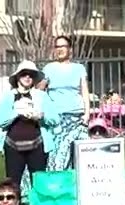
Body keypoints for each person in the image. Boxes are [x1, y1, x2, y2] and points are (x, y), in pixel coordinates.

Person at [0, 60, 50, 191]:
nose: (28, 77)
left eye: (31, 74)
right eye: (24, 74)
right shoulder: (8, 97)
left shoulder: (42, 96)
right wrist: (16, 112)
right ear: (17, 77)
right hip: (13, 146)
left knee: (40, 183)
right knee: (13, 184)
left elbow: (55, 119)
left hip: (37, 145)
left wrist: (41, 116)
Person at [39, 35, 90, 170]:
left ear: (70, 49)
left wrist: (87, 114)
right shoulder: (49, 68)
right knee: (59, 155)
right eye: (57, 47)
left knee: (80, 156)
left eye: (63, 46)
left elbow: (84, 91)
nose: (60, 49)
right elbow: (40, 90)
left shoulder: (78, 68)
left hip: (76, 117)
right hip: (57, 119)